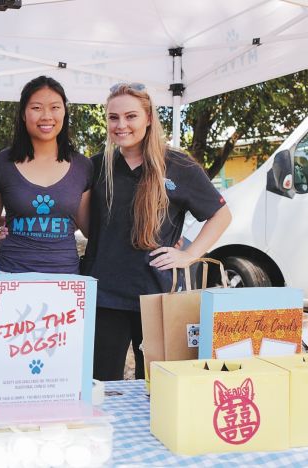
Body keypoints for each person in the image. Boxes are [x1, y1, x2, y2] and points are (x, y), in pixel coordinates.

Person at [81, 82, 232, 381]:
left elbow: (221, 215)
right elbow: (89, 227)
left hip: (157, 294)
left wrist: (188, 254)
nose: (121, 125)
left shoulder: (177, 164)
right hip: (104, 296)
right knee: (101, 383)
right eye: (113, 117)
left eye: (131, 116)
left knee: (155, 385)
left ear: (149, 117)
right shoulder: (97, 166)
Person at [0, 75, 92, 274]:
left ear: (64, 111)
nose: (47, 116)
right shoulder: (0, 164)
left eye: (55, 107)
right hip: (10, 273)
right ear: (23, 114)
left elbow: (90, 229)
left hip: (66, 277)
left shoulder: (83, 166)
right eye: (37, 108)